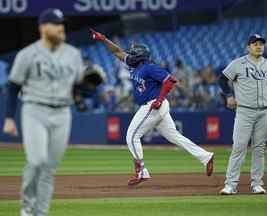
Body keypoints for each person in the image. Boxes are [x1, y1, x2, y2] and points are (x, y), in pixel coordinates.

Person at [90, 29, 214, 186]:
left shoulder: (149, 67)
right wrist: (103, 39)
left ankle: (141, 171)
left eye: (133, 53)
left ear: (139, 56)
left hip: (154, 104)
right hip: (153, 104)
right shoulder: (133, 64)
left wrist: (160, 99)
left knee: (131, 136)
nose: (129, 54)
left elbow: (170, 80)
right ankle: (206, 157)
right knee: (174, 136)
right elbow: (117, 51)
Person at [2, 9, 84, 215]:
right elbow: (13, 87)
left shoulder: (73, 55)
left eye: (61, 24)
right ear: (42, 28)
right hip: (34, 110)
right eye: (55, 24)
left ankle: (41, 212)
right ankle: (27, 209)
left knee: (49, 168)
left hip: (63, 113)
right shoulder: (27, 54)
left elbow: (78, 87)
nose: (60, 28)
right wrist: (9, 118)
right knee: (37, 161)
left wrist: (88, 88)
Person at [218, 34, 267, 195]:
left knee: (259, 149)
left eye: (261, 44)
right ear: (248, 47)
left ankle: (257, 184)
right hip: (244, 111)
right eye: (255, 44)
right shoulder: (238, 63)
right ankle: (230, 185)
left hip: (265, 111)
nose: (259, 46)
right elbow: (222, 79)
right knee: (239, 147)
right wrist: (229, 95)